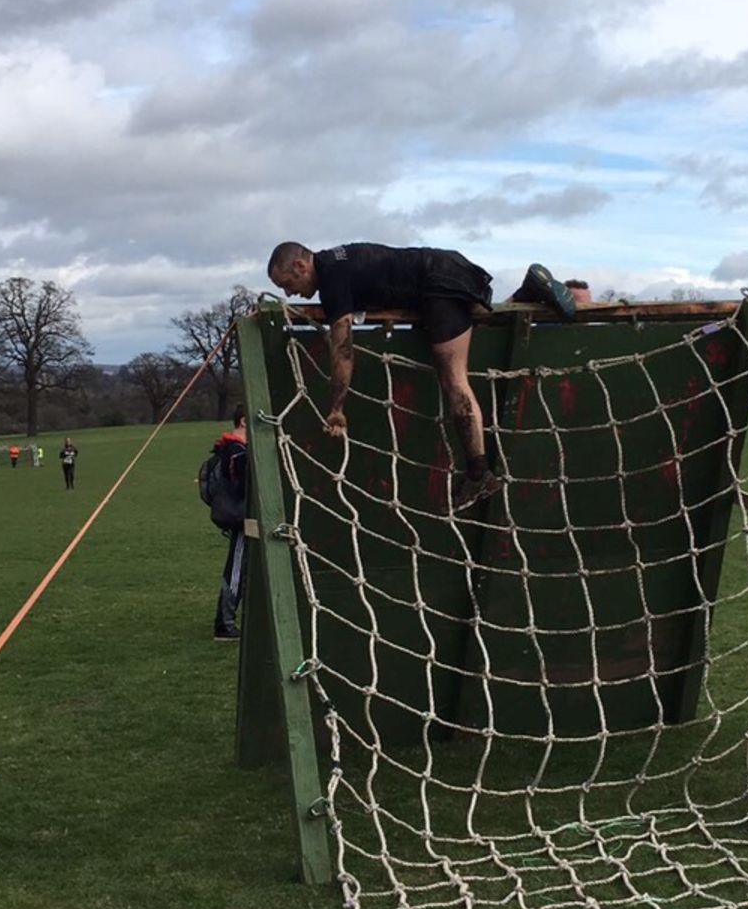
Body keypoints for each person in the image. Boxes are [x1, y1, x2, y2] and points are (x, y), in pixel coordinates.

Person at [266, 240, 576, 510]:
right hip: (448, 270)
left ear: (300, 264)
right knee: (475, 327)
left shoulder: (331, 278)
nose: (291, 293)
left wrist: (336, 407)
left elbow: (343, 349)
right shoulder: (338, 260)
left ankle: (480, 475)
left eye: (287, 284)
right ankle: (527, 291)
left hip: (438, 284)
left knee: (453, 378)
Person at [199, 418, 249, 640]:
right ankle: (224, 624)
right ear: (244, 421)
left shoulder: (233, 449)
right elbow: (240, 479)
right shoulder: (234, 450)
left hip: (245, 518)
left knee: (244, 569)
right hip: (241, 520)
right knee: (236, 570)